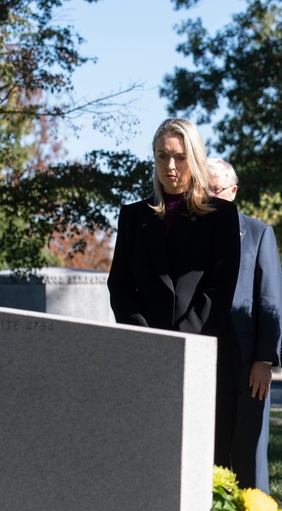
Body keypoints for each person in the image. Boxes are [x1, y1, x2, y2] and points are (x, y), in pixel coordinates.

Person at [107, 116, 240, 353]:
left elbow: (219, 290)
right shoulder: (133, 216)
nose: (170, 165)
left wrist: (178, 343)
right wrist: (145, 337)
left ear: (196, 159)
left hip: (202, 348)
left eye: (180, 158)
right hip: (144, 348)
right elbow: (120, 286)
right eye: (162, 156)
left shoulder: (221, 214)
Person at [207, 157, 282, 492]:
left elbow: (270, 300)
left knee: (250, 457)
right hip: (205, 360)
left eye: (216, 189)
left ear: (233, 191)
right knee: (210, 455)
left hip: (248, 364)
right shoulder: (189, 231)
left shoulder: (257, 232)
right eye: (202, 189)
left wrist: (264, 360)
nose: (209, 196)